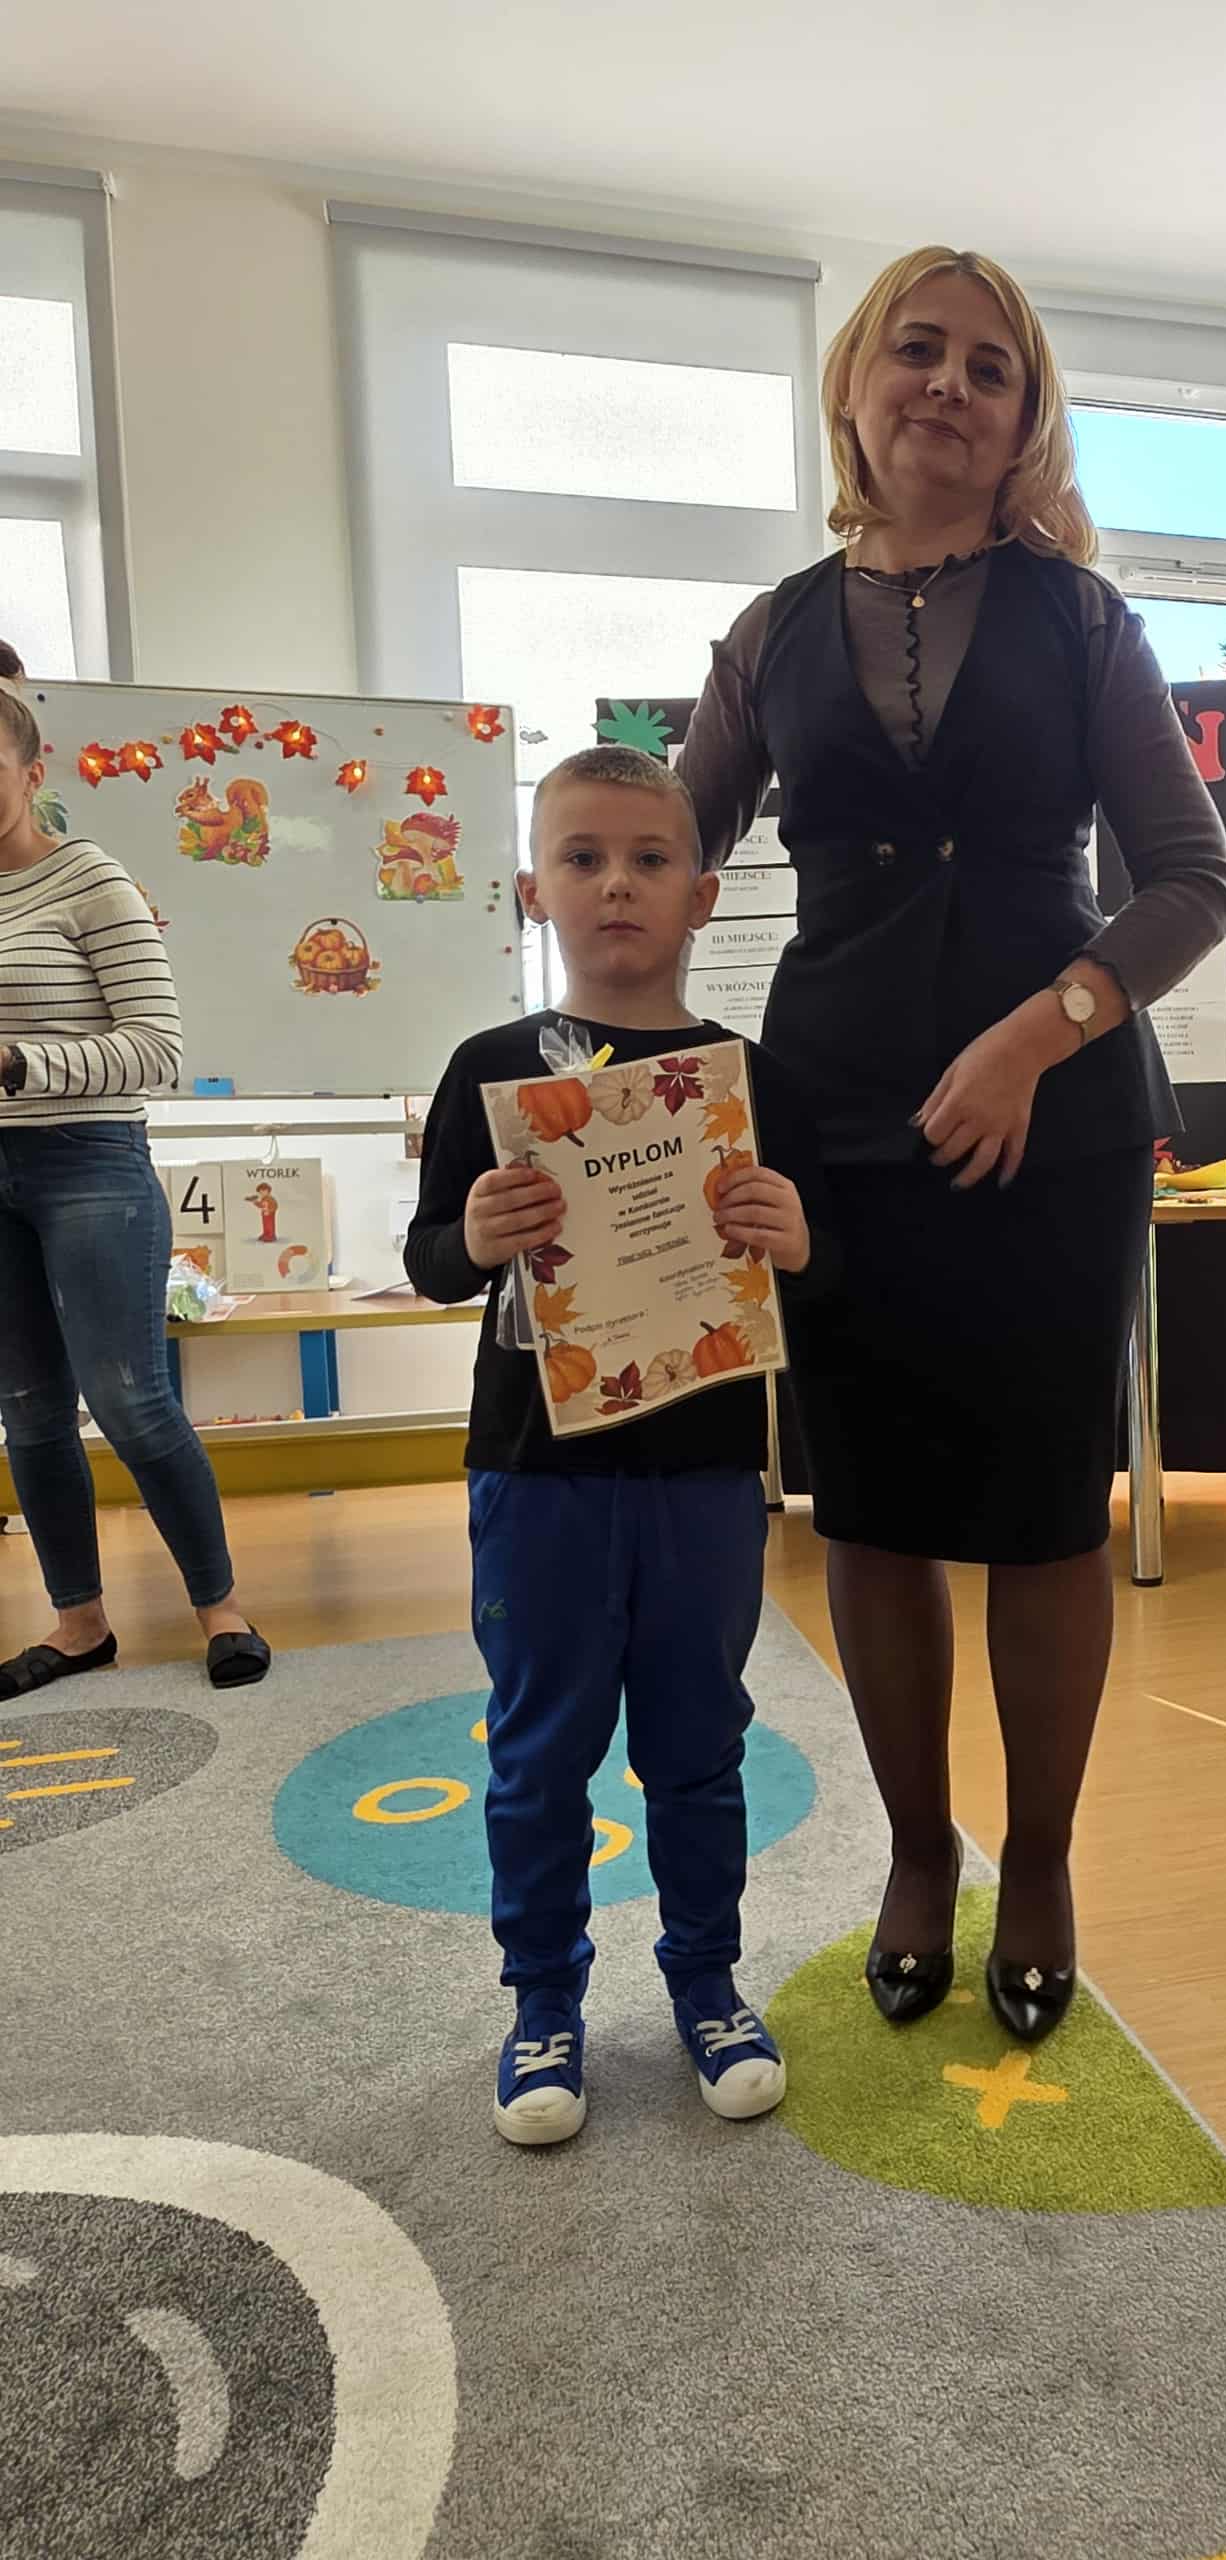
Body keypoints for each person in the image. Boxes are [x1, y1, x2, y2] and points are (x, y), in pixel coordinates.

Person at [680, 248, 1226, 2044]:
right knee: (872, 1510)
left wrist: (1035, 1035)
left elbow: (1193, 882)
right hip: (833, 1124)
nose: (949, 383)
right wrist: (590, 974)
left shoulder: (1086, 622)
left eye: (991, 367)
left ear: (1025, 421)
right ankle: (921, 1854)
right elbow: (670, 859)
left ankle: (1044, 1861)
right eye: (916, 351)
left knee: (1045, 1511)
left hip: (1056, 1131)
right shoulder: (770, 632)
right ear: (854, 386)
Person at [405, 744, 835, 2144]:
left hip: (703, 1471)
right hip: (536, 1473)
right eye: (582, 858)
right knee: (539, 1751)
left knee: (701, 1741)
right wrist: (473, 1235)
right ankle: (543, 2002)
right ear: (533, 889)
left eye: (650, 860)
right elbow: (429, 1259)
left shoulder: (745, 1082)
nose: (617, 885)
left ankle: (708, 1982)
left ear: (703, 894)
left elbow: (816, 1268)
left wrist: (799, 1238)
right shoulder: (489, 1071)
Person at [0, 642, 270, 1697]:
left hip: (90, 1163)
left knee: (129, 1398)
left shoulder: (89, 879)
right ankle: (80, 1625)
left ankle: (221, 1610)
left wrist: (20, 1063)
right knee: (28, 1409)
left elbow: (156, 1048)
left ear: (33, 771)